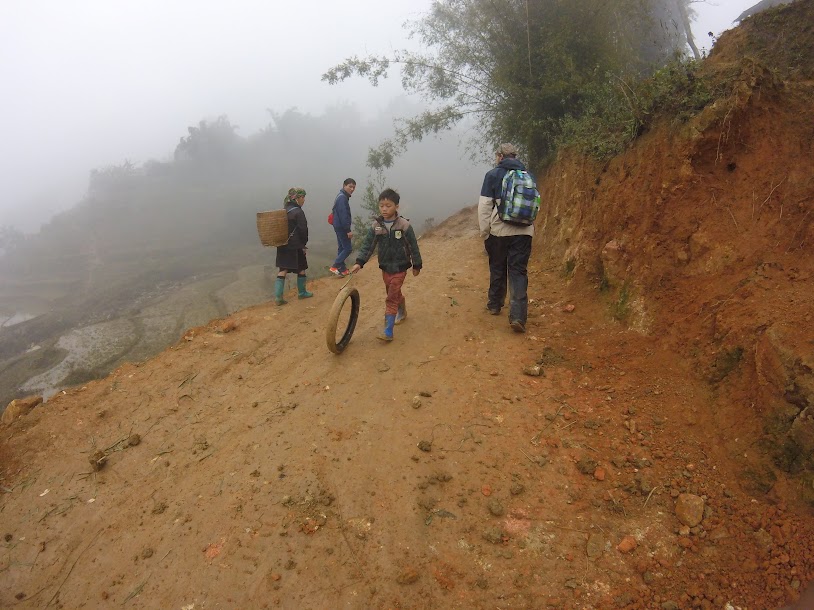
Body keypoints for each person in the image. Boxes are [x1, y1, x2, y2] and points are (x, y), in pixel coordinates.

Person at [350, 188, 422, 342]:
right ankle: (402, 310)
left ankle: (388, 331)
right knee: (393, 292)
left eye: (388, 206)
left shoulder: (404, 225)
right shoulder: (376, 226)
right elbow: (368, 245)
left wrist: (417, 265)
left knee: (391, 298)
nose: (384, 209)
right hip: (385, 267)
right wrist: (359, 263)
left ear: (396, 206)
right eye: (381, 205)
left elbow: (413, 246)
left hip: (400, 267)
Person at [477, 143, 535, 333]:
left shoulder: (493, 175)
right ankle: (518, 316)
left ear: (500, 156)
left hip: (499, 231)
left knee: (497, 266)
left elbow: (485, 207)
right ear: (515, 156)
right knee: (518, 271)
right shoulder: (528, 175)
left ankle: (495, 304)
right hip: (524, 231)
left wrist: (485, 232)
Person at [274, 187, 313, 305]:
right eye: (303, 197)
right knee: (301, 268)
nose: (304, 200)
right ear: (297, 198)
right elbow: (303, 230)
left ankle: (278, 298)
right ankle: (302, 293)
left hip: (282, 244)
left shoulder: (284, 210)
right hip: (296, 246)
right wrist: (304, 244)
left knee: (283, 269)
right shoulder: (298, 212)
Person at [329, 178, 356, 277]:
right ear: (344, 186)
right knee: (348, 248)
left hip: (338, 225)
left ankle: (342, 269)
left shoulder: (341, 196)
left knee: (342, 247)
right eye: (350, 186)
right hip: (341, 226)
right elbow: (343, 215)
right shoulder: (342, 198)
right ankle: (335, 266)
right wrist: (348, 230)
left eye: (353, 187)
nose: (352, 189)